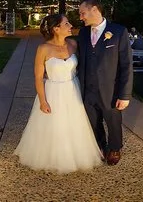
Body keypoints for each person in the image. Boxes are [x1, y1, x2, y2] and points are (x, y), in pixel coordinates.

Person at [14, 14, 103, 173]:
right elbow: (38, 77)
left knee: (75, 123)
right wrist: (42, 101)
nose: (70, 25)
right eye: (66, 23)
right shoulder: (43, 49)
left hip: (72, 89)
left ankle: (77, 153)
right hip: (53, 90)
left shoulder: (73, 44)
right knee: (54, 124)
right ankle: (53, 156)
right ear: (56, 29)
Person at [76, 0, 132, 166]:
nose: (80, 17)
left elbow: (126, 65)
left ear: (94, 9)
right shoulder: (83, 33)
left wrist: (125, 95)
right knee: (93, 121)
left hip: (111, 90)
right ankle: (100, 145)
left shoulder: (118, 32)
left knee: (113, 121)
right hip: (88, 89)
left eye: (82, 13)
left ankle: (115, 147)